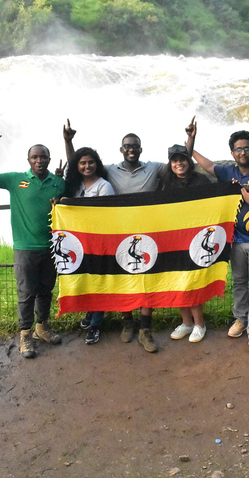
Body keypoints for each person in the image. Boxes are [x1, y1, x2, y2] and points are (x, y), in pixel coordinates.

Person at [62, 119, 194, 352]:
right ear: (121, 149)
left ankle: (145, 329)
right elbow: (80, 167)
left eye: (135, 146)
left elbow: (179, 165)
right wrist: (68, 142)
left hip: (149, 232)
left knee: (147, 278)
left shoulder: (153, 167)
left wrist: (190, 140)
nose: (131, 149)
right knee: (123, 277)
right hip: (119, 234)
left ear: (140, 149)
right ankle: (128, 322)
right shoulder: (111, 170)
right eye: (127, 146)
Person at [192, 129, 249, 349]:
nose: (242, 152)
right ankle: (241, 320)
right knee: (239, 284)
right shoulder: (227, 172)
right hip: (235, 240)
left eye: (246, 148)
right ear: (232, 153)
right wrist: (190, 142)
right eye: (238, 149)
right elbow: (206, 164)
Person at [0, 129, 65, 359]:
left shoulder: (58, 182)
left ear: (49, 159)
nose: (39, 160)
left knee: (46, 290)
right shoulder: (16, 180)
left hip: (51, 247)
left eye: (43, 156)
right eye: (35, 157)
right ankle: (25, 334)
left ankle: (42, 327)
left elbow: (69, 201)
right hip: (25, 248)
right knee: (26, 293)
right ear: (28, 160)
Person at [158, 142, 211, 342]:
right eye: (175, 160)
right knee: (178, 279)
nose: (179, 163)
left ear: (188, 161)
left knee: (193, 280)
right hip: (173, 239)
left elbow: (213, 205)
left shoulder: (202, 181)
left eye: (182, 159)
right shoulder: (166, 184)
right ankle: (186, 323)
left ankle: (199, 324)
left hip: (196, 237)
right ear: (170, 163)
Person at [62, 146, 115, 345]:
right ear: (77, 166)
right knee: (85, 278)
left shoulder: (104, 186)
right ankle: (91, 310)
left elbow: (104, 213)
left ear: (97, 164)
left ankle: (96, 324)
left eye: (91, 162)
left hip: (99, 241)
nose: (87, 166)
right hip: (78, 242)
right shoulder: (75, 186)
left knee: (98, 280)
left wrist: (72, 204)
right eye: (83, 163)